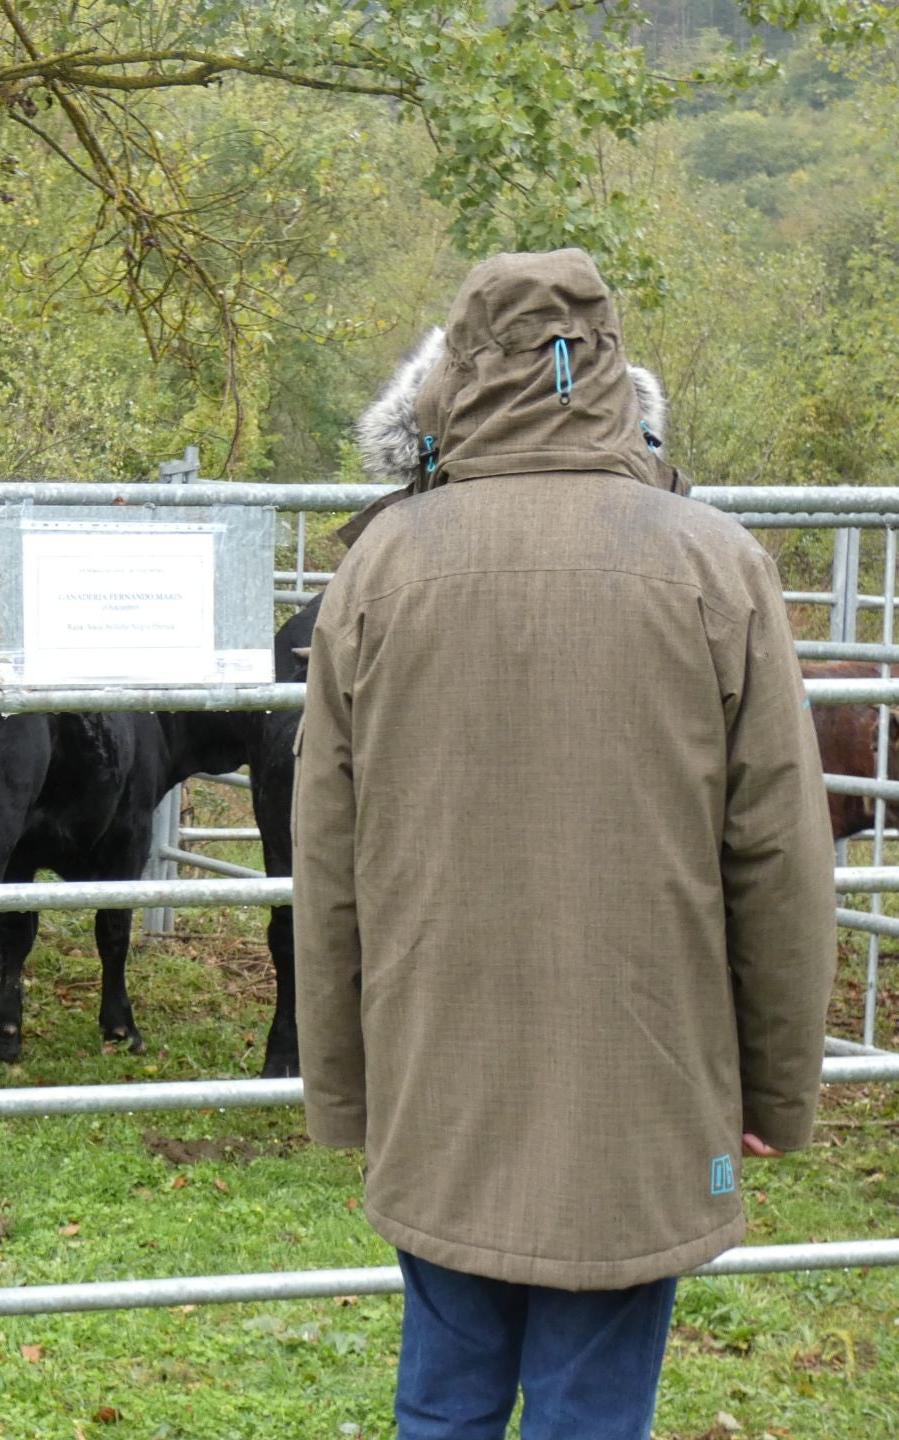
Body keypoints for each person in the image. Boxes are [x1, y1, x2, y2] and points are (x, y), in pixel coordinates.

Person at [291, 248, 838, 1439]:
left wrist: (345, 1086)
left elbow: (325, 860)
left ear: (449, 378)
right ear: (612, 374)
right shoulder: (717, 563)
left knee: (443, 1402)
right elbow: (783, 859)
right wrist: (773, 1085)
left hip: (439, 1074)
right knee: (595, 1413)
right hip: (641, 1085)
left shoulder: (379, 566)